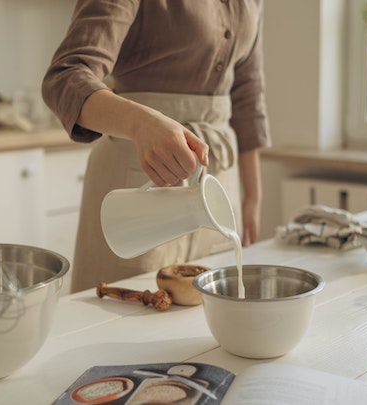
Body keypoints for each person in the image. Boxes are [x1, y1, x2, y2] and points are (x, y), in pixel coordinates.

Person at [42, 0, 271, 293]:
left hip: (217, 183)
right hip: (139, 176)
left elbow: (248, 92)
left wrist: (252, 193)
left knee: (205, 323)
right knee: (124, 316)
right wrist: (142, 123)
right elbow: (65, 77)